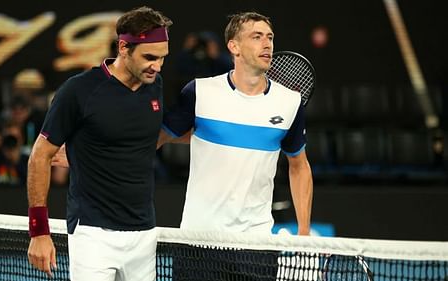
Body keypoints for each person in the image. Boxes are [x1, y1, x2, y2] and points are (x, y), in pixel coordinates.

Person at [158, 12, 313, 280]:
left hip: (257, 245)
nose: (267, 44)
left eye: (270, 37)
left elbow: (299, 166)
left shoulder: (290, 102)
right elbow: (156, 139)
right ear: (234, 46)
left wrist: (304, 234)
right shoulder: (200, 92)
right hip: (198, 241)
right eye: (256, 37)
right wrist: (91, 156)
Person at [26, 6, 172, 281]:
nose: (157, 66)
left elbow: (141, 141)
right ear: (123, 47)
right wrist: (39, 231)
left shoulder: (155, 85)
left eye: (163, 58)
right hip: (93, 234)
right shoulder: (78, 90)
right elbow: (39, 156)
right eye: (150, 57)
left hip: (144, 233)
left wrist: (87, 154)